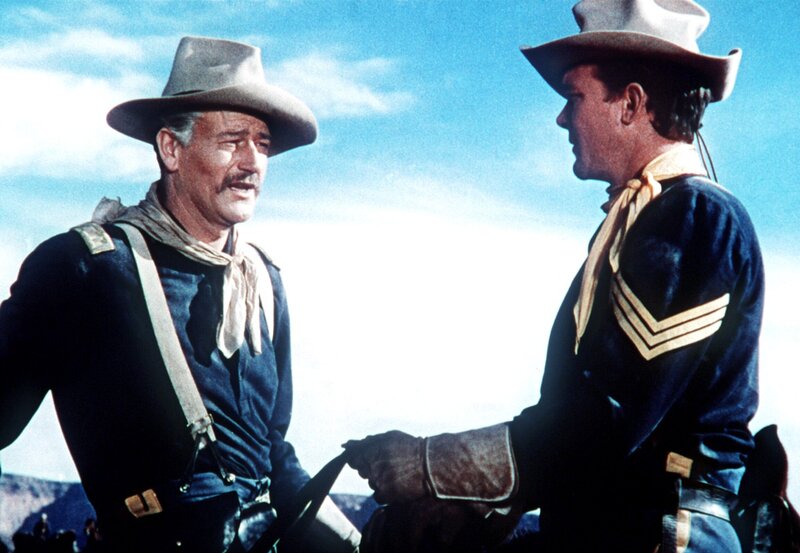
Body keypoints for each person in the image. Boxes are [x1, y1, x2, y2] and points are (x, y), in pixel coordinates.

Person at [344, 1, 763, 551]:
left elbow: (608, 418)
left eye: (574, 97)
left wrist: (429, 464)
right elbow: (582, 417)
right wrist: (492, 504)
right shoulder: (645, 221)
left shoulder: (694, 216)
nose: (562, 119)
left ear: (631, 103)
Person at [0, 36, 359, 552]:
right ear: (171, 148)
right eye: (233, 139)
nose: (252, 162)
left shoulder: (263, 283)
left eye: (262, 144)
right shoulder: (84, 269)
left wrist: (357, 542)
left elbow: (271, 455)